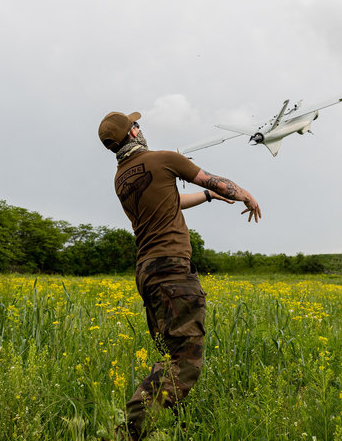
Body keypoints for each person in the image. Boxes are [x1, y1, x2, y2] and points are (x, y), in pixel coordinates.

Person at [98, 111, 261, 439]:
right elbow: (213, 179)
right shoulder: (164, 159)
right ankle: (126, 433)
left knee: (171, 355)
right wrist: (242, 193)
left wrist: (206, 196)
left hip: (148, 272)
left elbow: (169, 201)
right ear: (132, 134)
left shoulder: (122, 178)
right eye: (136, 124)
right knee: (183, 363)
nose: (140, 127)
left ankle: (171, 428)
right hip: (173, 270)